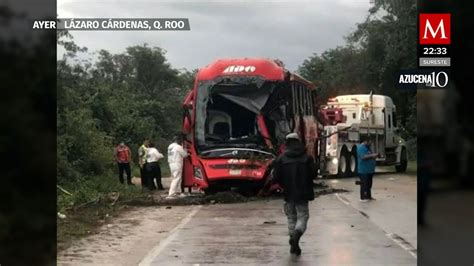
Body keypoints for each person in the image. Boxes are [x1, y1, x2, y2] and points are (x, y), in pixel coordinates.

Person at [272, 132, 316, 256]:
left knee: (291, 217)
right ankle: (297, 235)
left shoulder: (281, 158)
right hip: (303, 193)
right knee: (303, 216)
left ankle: (293, 243)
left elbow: (276, 177)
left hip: (288, 193)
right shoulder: (307, 158)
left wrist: (284, 185)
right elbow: (314, 174)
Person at [357, 136, 379, 201]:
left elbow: (369, 155)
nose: (371, 143)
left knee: (369, 184)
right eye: (370, 142)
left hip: (369, 170)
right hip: (363, 170)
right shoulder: (361, 148)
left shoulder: (368, 148)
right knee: (364, 184)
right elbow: (363, 157)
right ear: (366, 141)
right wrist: (372, 155)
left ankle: (368, 196)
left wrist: (375, 156)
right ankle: (363, 197)